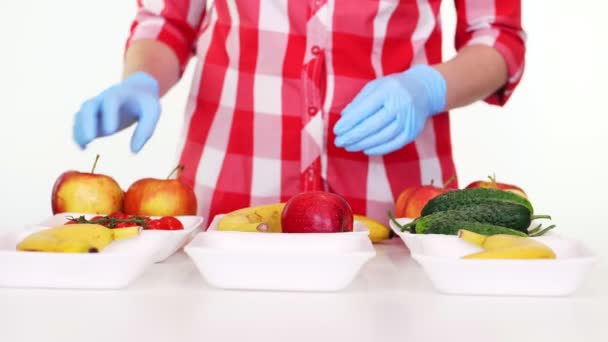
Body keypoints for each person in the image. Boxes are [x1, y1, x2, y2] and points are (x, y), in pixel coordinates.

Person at [72, 0, 525, 224]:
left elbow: (497, 36)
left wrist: (429, 88)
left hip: (398, 207)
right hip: (228, 206)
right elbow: (167, 18)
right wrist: (141, 80)